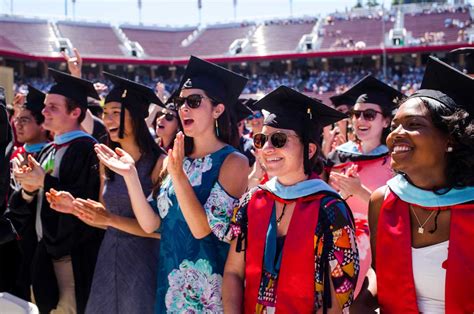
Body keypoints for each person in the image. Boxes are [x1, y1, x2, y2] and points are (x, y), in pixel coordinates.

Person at [95, 56, 249, 313]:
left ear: (217, 110)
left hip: (208, 297)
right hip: (169, 290)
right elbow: (152, 224)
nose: (184, 108)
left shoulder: (233, 162)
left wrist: (178, 175)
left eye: (194, 101)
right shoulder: (173, 161)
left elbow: (202, 230)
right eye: (180, 102)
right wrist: (131, 176)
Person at [354, 57, 474, 313]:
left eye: (413, 125)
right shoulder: (383, 200)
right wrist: (365, 300)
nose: (397, 133)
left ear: (449, 138)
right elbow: (381, 272)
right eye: (395, 125)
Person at [223, 86, 358, 313]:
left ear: (310, 149)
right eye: (260, 139)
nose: (266, 148)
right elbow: (233, 272)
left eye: (278, 139)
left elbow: (337, 299)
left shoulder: (331, 211)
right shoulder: (251, 202)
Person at [47, 72, 165, 314]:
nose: (107, 119)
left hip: (144, 263)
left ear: (135, 116)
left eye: (115, 112)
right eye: (105, 112)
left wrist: (110, 220)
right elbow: (104, 218)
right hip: (108, 257)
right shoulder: (106, 160)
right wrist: (75, 206)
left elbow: (160, 231)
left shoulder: (159, 163)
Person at [10, 69, 104, 314]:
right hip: (43, 257)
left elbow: (85, 202)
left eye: (53, 107)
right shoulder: (48, 149)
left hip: (70, 260)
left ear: (75, 113)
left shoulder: (87, 150)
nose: (44, 112)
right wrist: (28, 191)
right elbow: (24, 207)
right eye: (45, 106)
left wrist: (45, 183)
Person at [326, 75, 403, 296]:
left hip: (378, 249)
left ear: (386, 121)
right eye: (355, 114)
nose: (360, 120)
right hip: (337, 246)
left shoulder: (396, 161)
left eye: (369, 115)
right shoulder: (336, 157)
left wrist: (358, 191)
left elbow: (399, 213)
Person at [0, 86, 49, 300]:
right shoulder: (14, 152)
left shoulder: (49, 154)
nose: (18, 124)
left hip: (32, 240)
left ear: (43, 124)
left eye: (25, 120)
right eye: (17, 119)